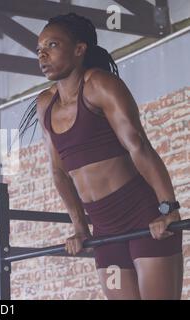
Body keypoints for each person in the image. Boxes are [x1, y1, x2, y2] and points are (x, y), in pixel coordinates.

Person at [19, 13, 183, 300]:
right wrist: (81, 229)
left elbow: (138, 146)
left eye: (53, 45)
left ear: (79, 49)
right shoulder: (46, 104)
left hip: (143, 217)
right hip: (104, 231)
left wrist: (168, 209)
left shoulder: (100, 85)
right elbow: (59, 173)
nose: (42, 54)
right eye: (39, 49)